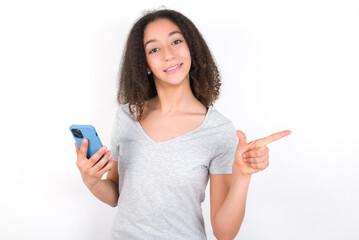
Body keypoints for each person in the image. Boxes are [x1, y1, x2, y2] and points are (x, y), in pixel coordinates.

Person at [74, 9, 291, 240]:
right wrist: (90, 180)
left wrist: (242, 177)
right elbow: (116, 194)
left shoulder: (218, 130)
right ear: (145, 63)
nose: (168, 54)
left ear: (191, 49)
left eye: (176, 41)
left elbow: (224, 233)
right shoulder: (127, 116)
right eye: (154, 49)